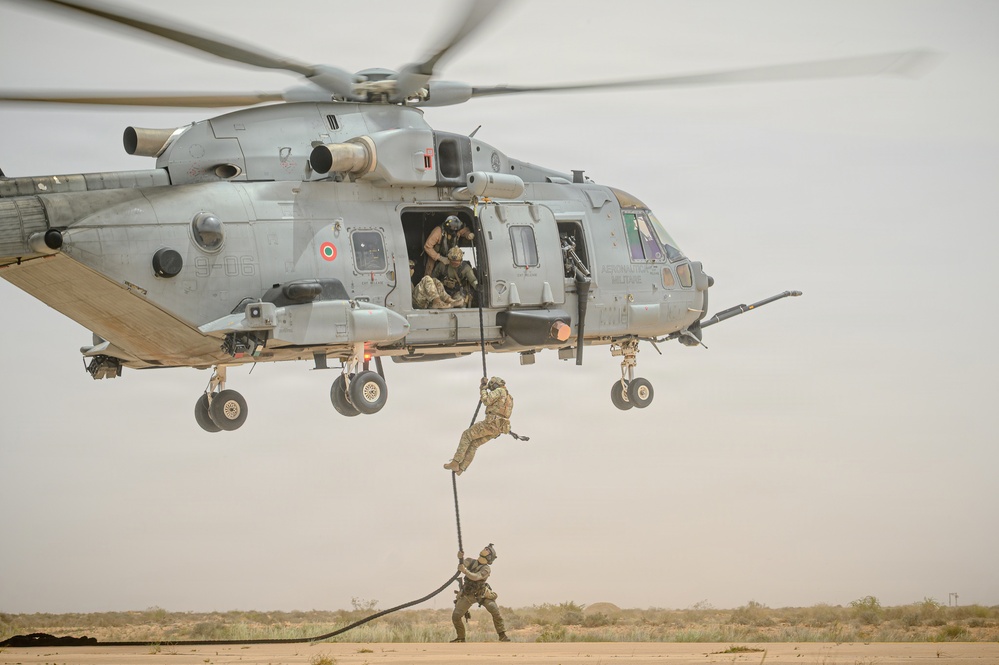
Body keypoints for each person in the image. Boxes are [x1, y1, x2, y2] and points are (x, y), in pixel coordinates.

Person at [445, 377, 513, 475]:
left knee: (467, 435)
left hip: (490, 424)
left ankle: (456, 462)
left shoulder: (499, 391)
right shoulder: (509, 397)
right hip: (498, 429)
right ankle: (461, 468)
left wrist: (483, 390)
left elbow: (486, 401)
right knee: (474, 444)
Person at [450, 544, 509, 643]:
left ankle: (502, 635)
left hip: (482, 594)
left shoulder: (486, 569)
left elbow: (476, 576)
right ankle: (461, 638)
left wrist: (464, 571)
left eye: (487, 550)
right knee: (456, 616)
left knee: (495, 611)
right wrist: (460, 558)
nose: (484, 549)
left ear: (489, 556)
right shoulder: (469, 561)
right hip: (468, 593)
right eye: (485, 548)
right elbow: (461, 566)